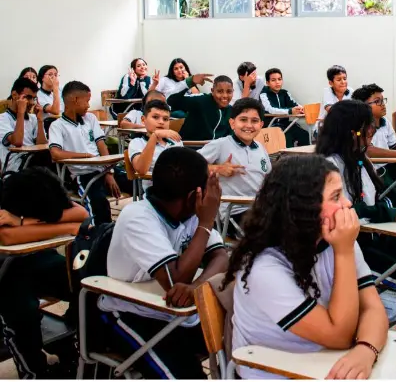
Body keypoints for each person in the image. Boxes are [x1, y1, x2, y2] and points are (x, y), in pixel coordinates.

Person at [225, 155, 389, 380]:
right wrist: (343, 252)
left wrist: (366, 350)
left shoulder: (337, 241)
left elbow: (373, 307)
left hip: (325, 362)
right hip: (276, 373)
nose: (347, 204)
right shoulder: (264, 268)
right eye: (336, 196)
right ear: (303, 208)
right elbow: (339, 335)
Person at [98, 147, 228, 379]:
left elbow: (220, 257)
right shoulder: (137, 217)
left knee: (236, 343)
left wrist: (197, 287)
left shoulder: (190, 213)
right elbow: (175, 280)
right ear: (193, 197)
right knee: (186, 376)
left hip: (174, 314)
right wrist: (206, 222)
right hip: (130, 313)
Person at [315, 100, 396, 335]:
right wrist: (388, 213)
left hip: (365, 242)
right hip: (342, 250)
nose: (372, 134)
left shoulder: (358, 158)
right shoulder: (330, 165)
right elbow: (348, 211)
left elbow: (375, 198)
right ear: (352, 132)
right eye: (367, 129)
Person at [0, 167, 89, 379]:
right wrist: (66, 227)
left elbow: (81, 213)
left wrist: (25, 222)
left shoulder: (33, 186)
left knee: (86, 283)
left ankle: (69, 342)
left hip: (39, 260)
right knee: (20, 311)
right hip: (5, 271)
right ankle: (33, 371)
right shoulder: (10, 192)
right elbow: (7, 236)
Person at [48, 81, 121, 225]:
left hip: (102, 170)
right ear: (75, 100)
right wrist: (85, 156)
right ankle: (101, 236)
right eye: (87, 101)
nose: (89, 105)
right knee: (99, 202)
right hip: (83, 175)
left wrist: (109, 172)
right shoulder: (57, 126)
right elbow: (55, 154)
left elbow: (101, 146)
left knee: (135, 182)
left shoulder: (91, 118)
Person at [198, 98, 271, 237]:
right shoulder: (221, 145)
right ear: (232, 123)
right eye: (243, 120)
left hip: (260, 209)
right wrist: (217, 168)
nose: (249, 125)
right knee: (268, 235)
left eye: (254, 121)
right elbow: (188, 164)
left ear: (261, 124)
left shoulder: (260, 148)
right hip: (233, 213)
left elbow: (269, 178)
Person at [352, 84, 396, 194]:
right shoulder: (360, 125)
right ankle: (394, 195)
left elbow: (393, 146)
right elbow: (368, 151)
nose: (383, 105)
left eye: (383, 100)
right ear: (363, 106)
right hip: (372, 170)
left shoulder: (385, 121)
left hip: (387, 166)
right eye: (377, 101)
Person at [128, 99, 182, 193]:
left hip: (180, 187)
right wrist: (154, 137)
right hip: (156, 191)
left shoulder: (176, 141)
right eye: (155, 117)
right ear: (143, 120)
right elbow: (141, 169)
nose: (161, 122)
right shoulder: (137, 143)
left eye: (165, 119)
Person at [0, 78, 46, 175]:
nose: (32, 103)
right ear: (14, 95)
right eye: (27, 97)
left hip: (34, 161)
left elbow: (42, 145)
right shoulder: (3, 119)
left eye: (34, 98)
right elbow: (17, 142)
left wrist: (40, 120)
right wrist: (20, 113)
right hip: (15, 166)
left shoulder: (33, 118)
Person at [168, 75, 232, 141]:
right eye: (220, 91)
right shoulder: (201, 101)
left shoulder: (231, 111)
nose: (225, 95)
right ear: (212, 91)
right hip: (190, 147)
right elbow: (172, 101)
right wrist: (190, 82)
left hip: (214, 149)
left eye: (229, 92)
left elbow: (230, 136)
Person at [259, 68, 310, 148]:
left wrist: (301, 109)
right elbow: (270, 110)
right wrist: (290, 111)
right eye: (273, 80)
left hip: (284, 124)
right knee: (287, 137)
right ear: (267, 83)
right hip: (270, 125)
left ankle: (303, 159)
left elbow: (295, 104)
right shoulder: (264, 94)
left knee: (304, 134)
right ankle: (286, 160)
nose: (277, 82)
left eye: (279, 79)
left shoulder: (284, 93)